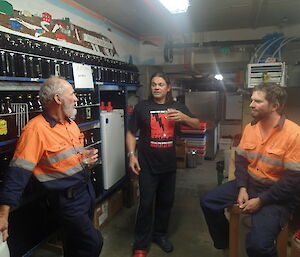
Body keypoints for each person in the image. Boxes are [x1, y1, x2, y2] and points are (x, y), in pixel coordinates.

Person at [0, 77, 103, 257]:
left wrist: (84, 157)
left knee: (74, 244)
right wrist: (3, 214)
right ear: (58, 98)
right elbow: (18, 173)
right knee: (93, 243)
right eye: (72, 94)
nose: (77, 98)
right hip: (68, 200)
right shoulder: (35, 130)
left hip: (86, 191)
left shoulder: (70, 124)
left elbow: (68, 157)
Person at [200, 83, 300, 257]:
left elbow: (292, 181)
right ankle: (225, 242)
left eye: (257, 101)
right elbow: (240, 160)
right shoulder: (250, 128)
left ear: (274, 106)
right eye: (251, 100)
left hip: (276, 194)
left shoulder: (294, 134)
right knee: (208, 202)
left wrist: (261, 201)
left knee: (258, 246)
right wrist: (242, 187)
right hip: (250, 184)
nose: (251, 104)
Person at [127, 72, 201, 257]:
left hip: (168, 166)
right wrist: (131, 155)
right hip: (147, 166)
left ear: (168, 87)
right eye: (153, 84)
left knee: (165, 203)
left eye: (161, 84)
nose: (157, 87)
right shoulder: (142, 107)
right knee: (145, 204)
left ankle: (159, 235)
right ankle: (140, 244)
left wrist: (184, 118)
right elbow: (130, 132)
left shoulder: (177, 107)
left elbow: (197, 124)